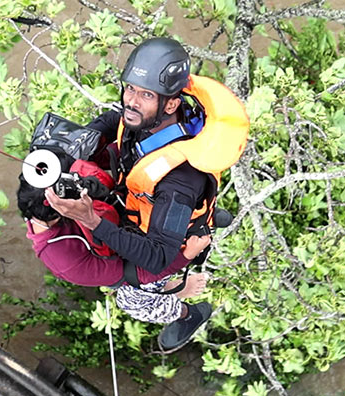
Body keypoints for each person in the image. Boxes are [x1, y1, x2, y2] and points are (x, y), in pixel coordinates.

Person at [45, 37, 250, 350]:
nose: (131, 101)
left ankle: (187, 313)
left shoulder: (179, 183)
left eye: (145, 94)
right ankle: (204, 214)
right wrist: (84, 138)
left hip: (167, 231)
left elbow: (157, 258)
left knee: (130, 299)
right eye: (129, 88)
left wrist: (92, 221)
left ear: (171, 103)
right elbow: (114, 119)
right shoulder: (142, 116)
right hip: (147, 200)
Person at [18, 166, 211, 326]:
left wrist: (90, 186)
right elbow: (138, 273)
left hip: (125, 212)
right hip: (128, 257)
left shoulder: (56, 177)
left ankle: (192, 207)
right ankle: (184, 311)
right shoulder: (67, 263)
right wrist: (185, 256)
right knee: (130, 301)